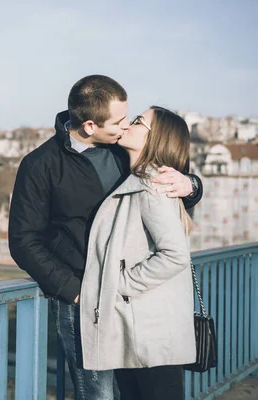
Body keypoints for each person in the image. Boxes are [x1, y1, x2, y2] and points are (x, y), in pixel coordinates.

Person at [8, 75, 203, 399]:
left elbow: (167, 175)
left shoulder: (124, 150)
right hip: (83, 299)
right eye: (119, 120)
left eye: (130, 117)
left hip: (137, 300)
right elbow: (24, 239)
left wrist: (193, 184)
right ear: (88, 125)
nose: (126, 125)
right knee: (99, 394)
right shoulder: (40, 165)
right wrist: (73, 291)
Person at [80, 106, 196, 400]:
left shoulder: (151, 185)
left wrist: (122, 284)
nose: (129, 124)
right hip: (144, 328)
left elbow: (175, 255)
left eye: (139, 121)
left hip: (150, 333)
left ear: (154, 137)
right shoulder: (144, 179)